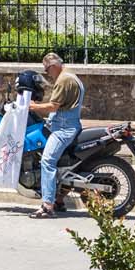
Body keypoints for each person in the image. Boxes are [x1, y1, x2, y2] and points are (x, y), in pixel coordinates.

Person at [28, 51, 83, 219]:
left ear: (53, 66)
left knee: (47, 161)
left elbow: (53, 106)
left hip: (63, 129)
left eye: (46, 70)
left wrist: (33, 106)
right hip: (69, 125)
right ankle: (59, 199)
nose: (47, 74)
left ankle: (47, 206)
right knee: (61, 164)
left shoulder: (63, 80)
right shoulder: (72, 75)